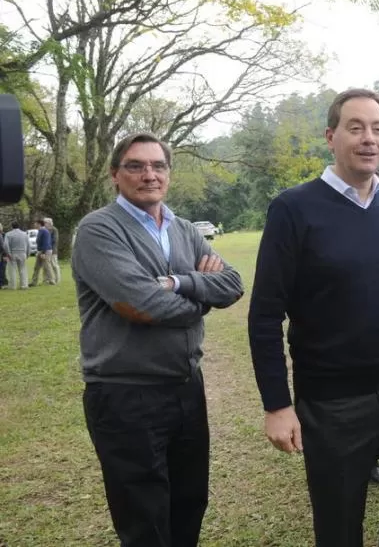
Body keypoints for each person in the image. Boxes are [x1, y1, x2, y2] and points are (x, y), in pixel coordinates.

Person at [247, 88, 379, 547]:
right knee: (338, 523)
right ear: (331, 136)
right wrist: (277, 405)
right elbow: (265, 314)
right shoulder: (293, 208)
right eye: (355, 128)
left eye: (378, 128)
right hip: (331, 401)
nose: (368, 138)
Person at [72, 132, 244, 547]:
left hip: (186, 388)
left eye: (158, 166)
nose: (148, 174)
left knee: (189, 504)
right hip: (125, 394)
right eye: (135, 166)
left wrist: (177, 282)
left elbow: (233, 284)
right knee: (144, 520)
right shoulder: (99, 230)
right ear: (115, 175)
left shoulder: (184, 229)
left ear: (168, 173)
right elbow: (140, 305)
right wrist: (202, 297)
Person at [29, 218, 55, 286]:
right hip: (40, 251)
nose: (34, 224)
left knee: (47, 266)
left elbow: (45, 243)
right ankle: (34, 282)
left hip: (45, 251)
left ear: (39, 224)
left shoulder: (44, 231)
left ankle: (52, 280)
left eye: (35, 223)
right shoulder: (40, 231)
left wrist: (43, 253)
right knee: (36, 267)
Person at [4, 222, 28, 289]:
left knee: (12, 270)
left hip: (13, 253)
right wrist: (28, 253)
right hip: (22, 253)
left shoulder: (8, 234)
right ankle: (24, 285)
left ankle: (13, 286)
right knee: (23, 269)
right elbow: (28, 244)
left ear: (12, 227)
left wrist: (8, 253)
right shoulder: (24, 234)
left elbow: (6, 245)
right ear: (19, 226)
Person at [44, 217, 62, 284]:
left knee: (54, 265)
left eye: (45, 222)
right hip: (46, 250)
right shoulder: (45, 230)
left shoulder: (54, 230)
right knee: (47, 266)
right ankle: (48, 279)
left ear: (49, 223)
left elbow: (55, 240)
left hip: (53, 250)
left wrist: (48, 245)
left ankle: (57, 279)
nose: (44, 224)